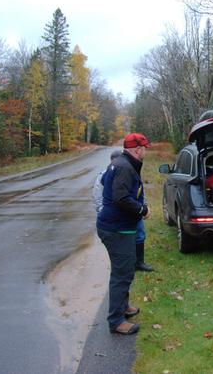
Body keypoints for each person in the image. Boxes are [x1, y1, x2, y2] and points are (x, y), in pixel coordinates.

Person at [96, 133, 152, 335]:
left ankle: (123, 307)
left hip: (117, 226)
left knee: (125, 269)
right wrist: (141, 210)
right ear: (138, 149)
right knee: (122, 274)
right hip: (116, 229)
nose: (146, 151)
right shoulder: (124, 167)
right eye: (145, 148)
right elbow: (121, 198)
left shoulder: (120, 163)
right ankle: (116, 320)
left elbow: (113, 188)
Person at [93, 150, 154, 272]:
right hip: (116, 218)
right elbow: (98, 195)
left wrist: (143, 207)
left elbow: (140, 192)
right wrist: (103, 210)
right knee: (122, 247)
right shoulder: (104, 175)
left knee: (140, 236)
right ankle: (124, 265)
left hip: (135, 212)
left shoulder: (131, 171)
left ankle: (139, 262)